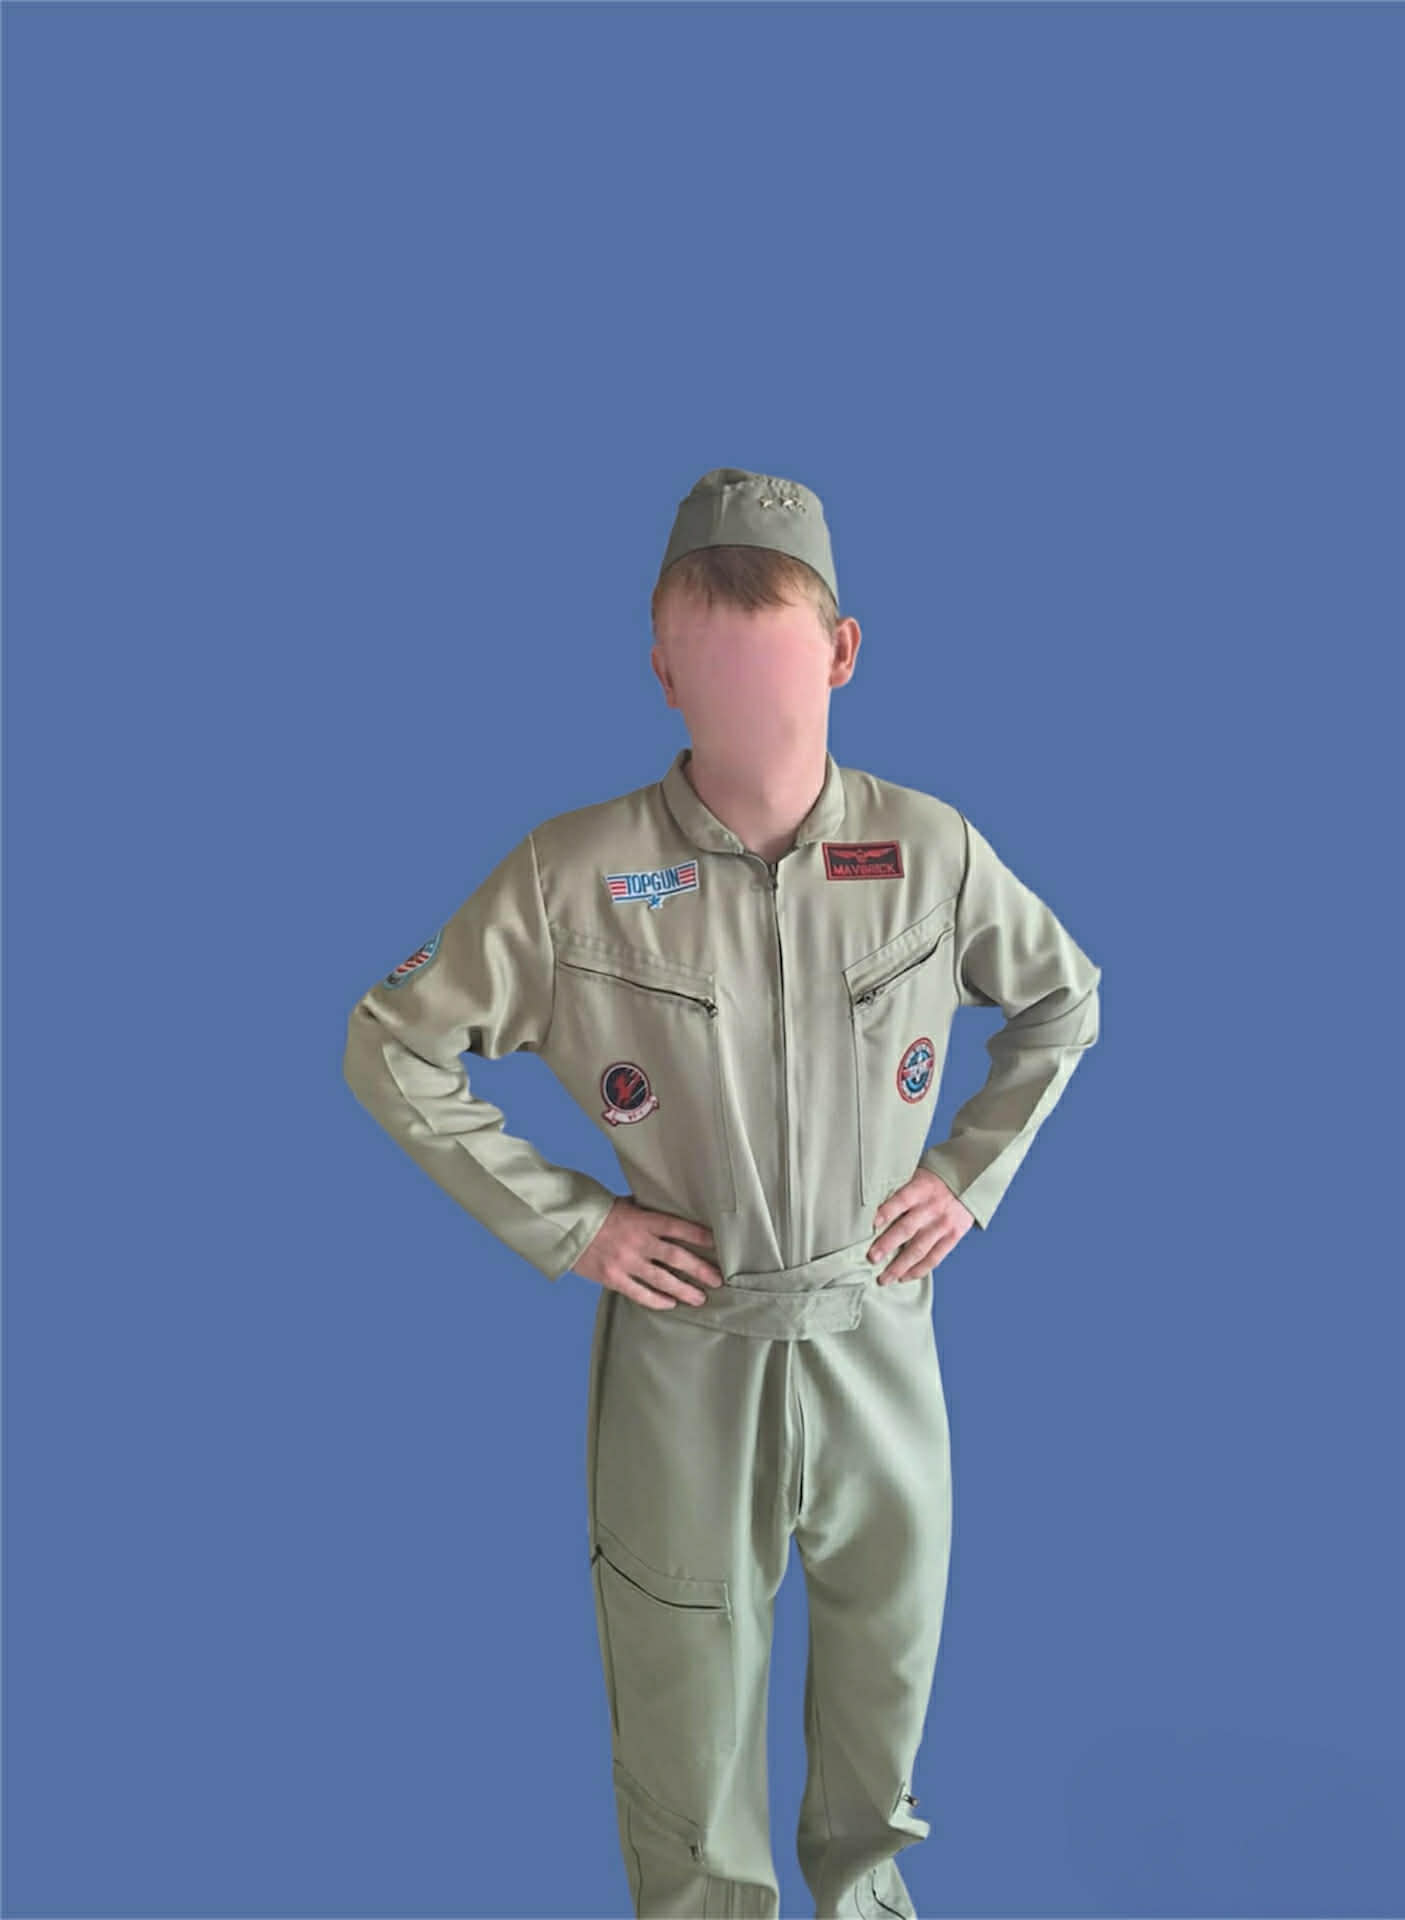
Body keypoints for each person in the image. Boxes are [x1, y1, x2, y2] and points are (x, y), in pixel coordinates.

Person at [343, 467, 1102, 1919]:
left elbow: (1064, 1001)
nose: (753, 710)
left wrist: (966, 1176)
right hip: (688, 1352)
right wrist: (577, 1226)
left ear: (844, 653)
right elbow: (394, 1044)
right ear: (660, 666)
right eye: (716, 667)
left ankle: (865, 1904)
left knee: (884, 1681)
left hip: (875, 1334)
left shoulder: (929, 854)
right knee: (684, 1702)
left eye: (781, 668)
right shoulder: (575, 876)